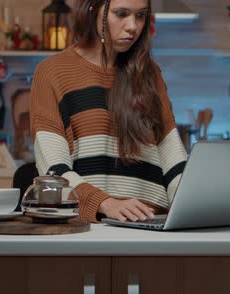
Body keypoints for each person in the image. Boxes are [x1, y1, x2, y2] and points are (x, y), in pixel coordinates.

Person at [29, 0, 187, 223]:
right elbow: (53, 169)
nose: (133, 26)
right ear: (92, 10)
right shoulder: (52, 72)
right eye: (121, 14)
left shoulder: (149, 73)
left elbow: (171, 155)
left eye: (140, 16)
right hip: (90, 228)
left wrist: (190, 205)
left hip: (152, 226)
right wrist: (106, 203)